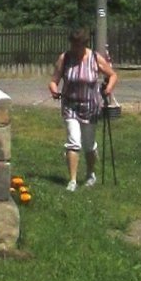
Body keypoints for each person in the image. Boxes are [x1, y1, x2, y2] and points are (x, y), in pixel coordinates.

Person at [49, 28, 118, 191]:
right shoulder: (65, 58)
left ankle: (90, 174)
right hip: (70, 105)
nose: (75, 49)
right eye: (73, 45)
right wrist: (53, 89)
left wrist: (108, 88)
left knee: (88, 144)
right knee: (73, 141)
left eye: (78, 46)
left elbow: (113, 75)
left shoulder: (94, 58)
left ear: (84, 44)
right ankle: (72, 181)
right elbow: (54, 80)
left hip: (90, 106)